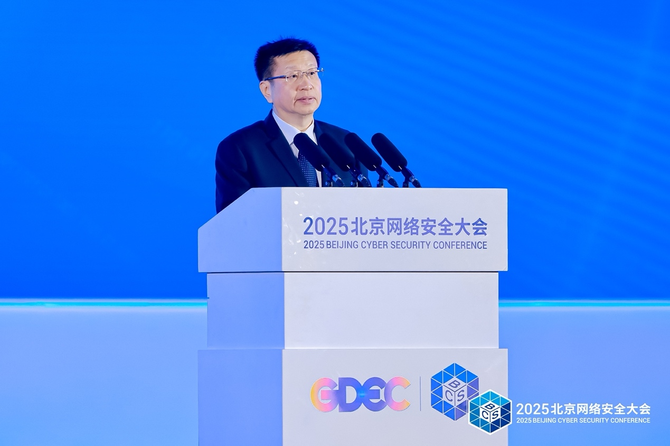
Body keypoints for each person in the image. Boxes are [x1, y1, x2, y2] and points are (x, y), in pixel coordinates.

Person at [215, 38, 363, 212]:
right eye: (293, 76)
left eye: (312, 73)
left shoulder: (346, 144)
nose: (306, 85)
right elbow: (235, 221)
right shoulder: (240, 148)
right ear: (266, 90)